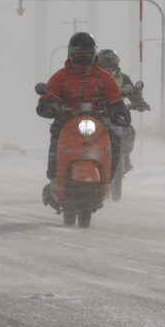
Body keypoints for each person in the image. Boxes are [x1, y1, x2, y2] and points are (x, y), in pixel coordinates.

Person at [36, 32, 129, 208]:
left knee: (115, 140)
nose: (83, 56)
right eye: (79, 53)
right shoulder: (61, 76)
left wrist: (118, 110)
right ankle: (54, 179)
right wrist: (52, 107)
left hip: (98, 123)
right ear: (71, 53)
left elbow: (116, 99)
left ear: (94, 53)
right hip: (67, 122)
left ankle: (107, 180)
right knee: (56, 138)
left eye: (87, 53)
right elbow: (45, 101)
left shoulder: (103, 77)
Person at [97, 48, 150, 173]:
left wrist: (140, 103)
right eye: (105, 64)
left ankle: (125, 157)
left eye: (111, 64)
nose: (108, 67)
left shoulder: (123, 78)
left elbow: (133, 93)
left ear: (116, 64)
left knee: (129, 131)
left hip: (117, 112)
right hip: (96, 113)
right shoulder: (93, 77)